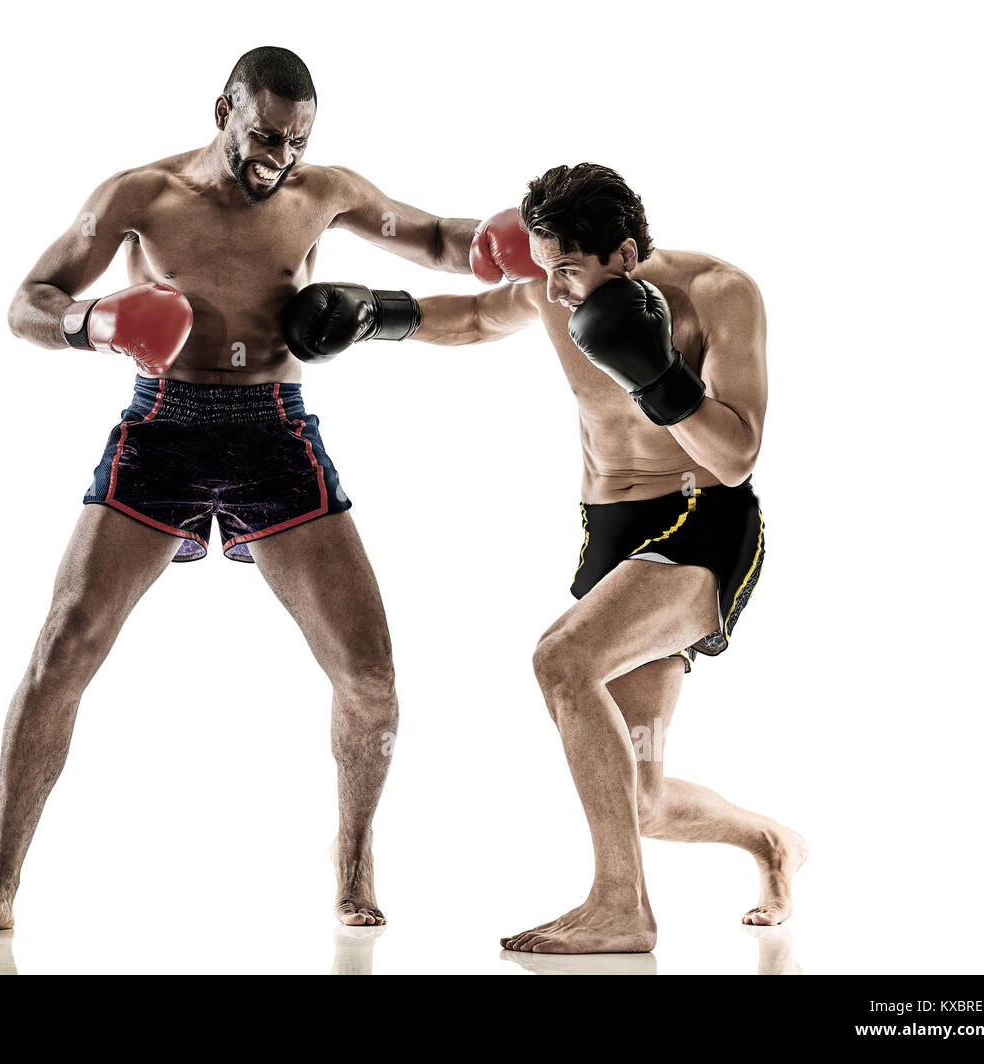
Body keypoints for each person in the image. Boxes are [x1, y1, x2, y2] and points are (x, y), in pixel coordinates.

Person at [0, 46, 480, 933]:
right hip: (164, 428)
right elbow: (26, 302)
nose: (279, 161)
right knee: (63, 648)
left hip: (276, 429)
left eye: (296, 143)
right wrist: (93, 322)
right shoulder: (140, 196)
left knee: (371, 675)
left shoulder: (324, 190)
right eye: (263, 138)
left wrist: (520, 244)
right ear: (221, 109)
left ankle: (353, 864)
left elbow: (437, 239)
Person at [284, 163, 806, 953]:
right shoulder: (550, 285)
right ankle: (772, 843)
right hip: (613, 535)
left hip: (701, 521)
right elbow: (476, 318)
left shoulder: (720, 291)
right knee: (641, 802)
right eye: (545, 265)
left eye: (567, 270)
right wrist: (376, 315)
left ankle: (620, 906)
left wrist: (657, 374)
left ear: (624, 256)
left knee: (563, 660)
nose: (553, 289)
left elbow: (737, 455)